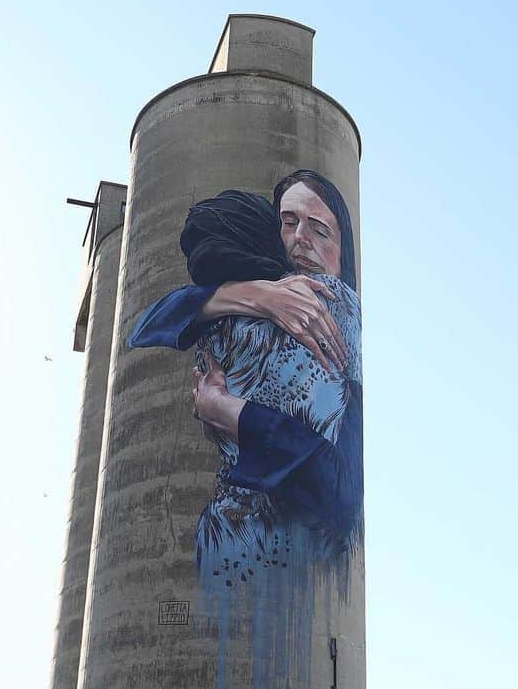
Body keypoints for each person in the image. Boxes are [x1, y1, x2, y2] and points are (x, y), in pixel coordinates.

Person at [129, 171, 363, 576]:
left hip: (286, 556)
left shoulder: (336, 314)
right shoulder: (262, 295)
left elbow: (337, 492)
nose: (301, 238)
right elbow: (146, 326)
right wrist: (258, 295)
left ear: (344, 255)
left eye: (321, 230)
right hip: (230, 546)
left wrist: (227, 411)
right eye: (289, 223)